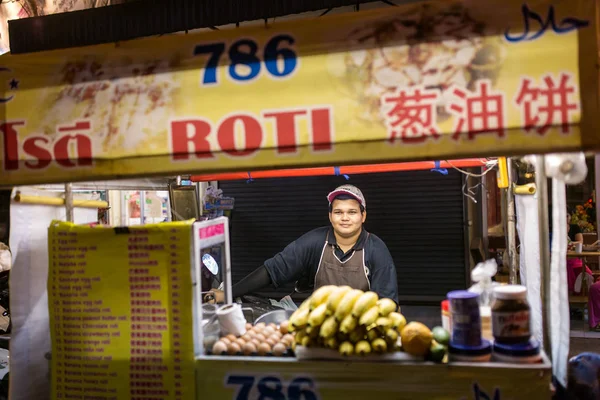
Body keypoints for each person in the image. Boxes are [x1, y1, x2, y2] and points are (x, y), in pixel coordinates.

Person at [206, 184, 399, 304]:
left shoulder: (376, 249)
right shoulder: (315, 241)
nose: (345, 218)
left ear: (363, 216)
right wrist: (228, 293)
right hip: (318, 323)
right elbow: (274, 269)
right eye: (338, 212)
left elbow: (388, 303)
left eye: (352, 212)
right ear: (330, 216)